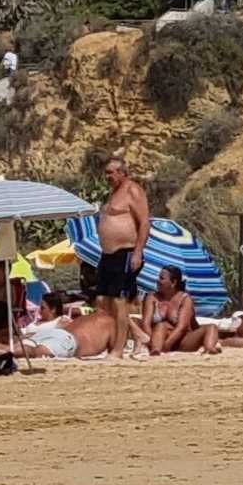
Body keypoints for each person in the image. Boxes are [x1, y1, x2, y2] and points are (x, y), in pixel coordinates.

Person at [96, 154, 151, 361]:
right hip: (107, 255)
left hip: (126, 253)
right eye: (106, 173)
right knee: (102, 301)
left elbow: (144, 223)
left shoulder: (133, 190)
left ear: (122, 172)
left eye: (111, 173)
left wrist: (138, 252)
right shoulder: (114, 193)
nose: (107, 177)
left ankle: (118, 350)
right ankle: (137, 334)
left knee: (120, 302)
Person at [141, 267, 220, 355]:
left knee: (212, 327)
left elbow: (182, 328)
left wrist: (166, 345)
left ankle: (209, 348)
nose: (158, 280)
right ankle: (155, 350)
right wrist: (153, 340)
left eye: (161, 278)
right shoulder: (152, 297)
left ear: (173, 282)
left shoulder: (185, 299)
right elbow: (146, 324)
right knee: (161, 326)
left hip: (183, 340)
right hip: (157, 339)